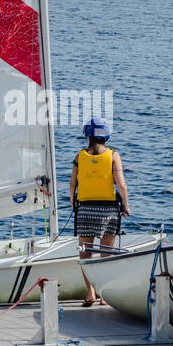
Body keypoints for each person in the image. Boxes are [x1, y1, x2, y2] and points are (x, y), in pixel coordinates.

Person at [69, 117, 129, 306]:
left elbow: (72, 185)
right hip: (108, 211)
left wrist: (73, 203)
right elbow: (121, 184)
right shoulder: (113, 156)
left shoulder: (80, 156)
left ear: (87, 135)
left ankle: (90, 292)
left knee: (84, 252)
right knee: (106, 253)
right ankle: (104, 295)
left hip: (85, 210)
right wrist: (126, 205)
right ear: (106, 135)